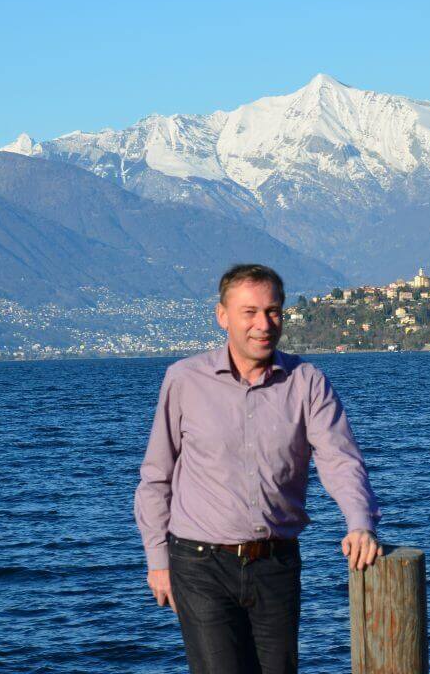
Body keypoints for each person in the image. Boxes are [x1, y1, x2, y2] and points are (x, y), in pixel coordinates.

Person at [134, 263, 382, 674]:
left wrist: (360, 523)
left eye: (273, 311)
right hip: (200, 564)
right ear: (222, 316)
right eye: (249, 312)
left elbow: (340, 459)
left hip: (276, 563)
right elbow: (156, 477)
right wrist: (158, 561)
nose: (263, 324)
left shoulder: (307, 382)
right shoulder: (184, 380)